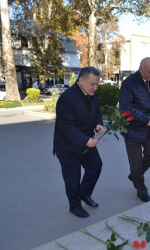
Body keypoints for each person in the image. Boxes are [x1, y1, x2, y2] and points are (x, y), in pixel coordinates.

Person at [53, 66, 104, 218]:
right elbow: (65, 127)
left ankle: (84, 194)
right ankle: (74, 206)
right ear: (81, 80)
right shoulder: (66, 99)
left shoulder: (92, 94)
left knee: (96, 166)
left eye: (97, 84)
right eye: (92, 84)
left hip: (86, 141)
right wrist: (85, 140)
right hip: (68, 146)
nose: (95, 88)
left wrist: (98, 123)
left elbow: (96, 111)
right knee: (73, 178)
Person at [119, 57, 150, 202]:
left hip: (148, 129)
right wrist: (146, 119)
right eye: (149, 71)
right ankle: (141, 190)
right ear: (140, 69)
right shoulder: (129, 83)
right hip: (132, 129)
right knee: (135, 163)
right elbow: (126, 108)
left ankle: (135, 175)